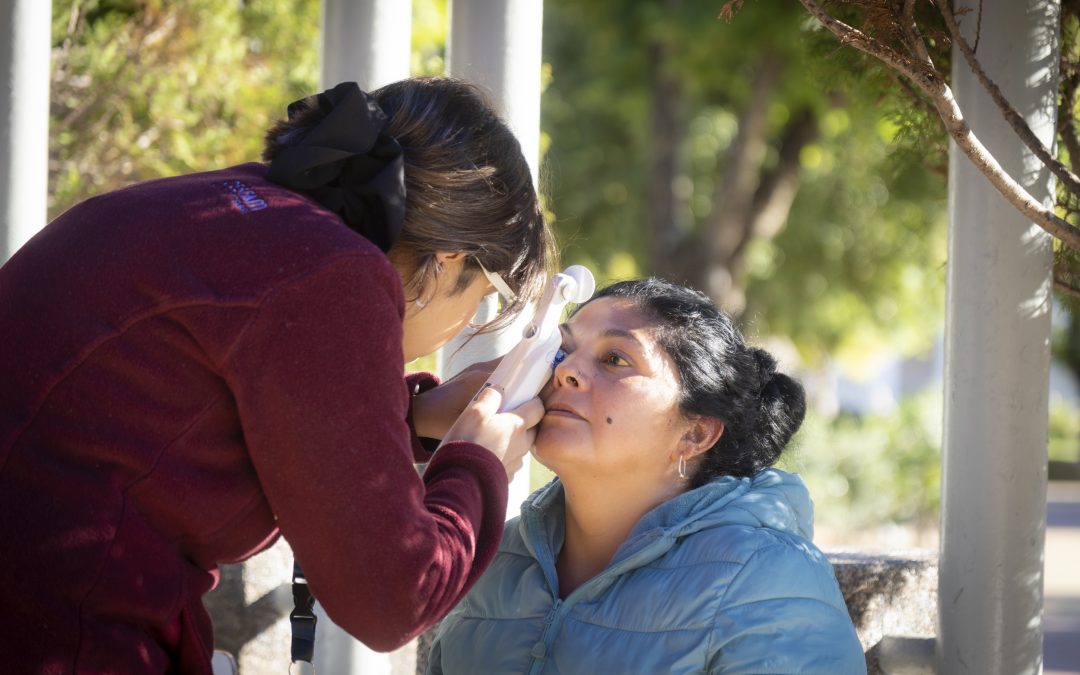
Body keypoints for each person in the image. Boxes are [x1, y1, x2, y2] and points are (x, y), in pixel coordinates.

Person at [0, 77, 556, 673]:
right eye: (487, 296)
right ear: (449, 259)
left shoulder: (246, 208)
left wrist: (416, 415)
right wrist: (478, 464)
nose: (470, 320)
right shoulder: (332, 275)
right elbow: (393, 597)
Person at [425, 278, 866, 675]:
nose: (565, 371)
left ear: (696, 433)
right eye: (561, 350)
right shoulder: (493, 554)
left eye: (615, 359)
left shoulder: (767, 579)